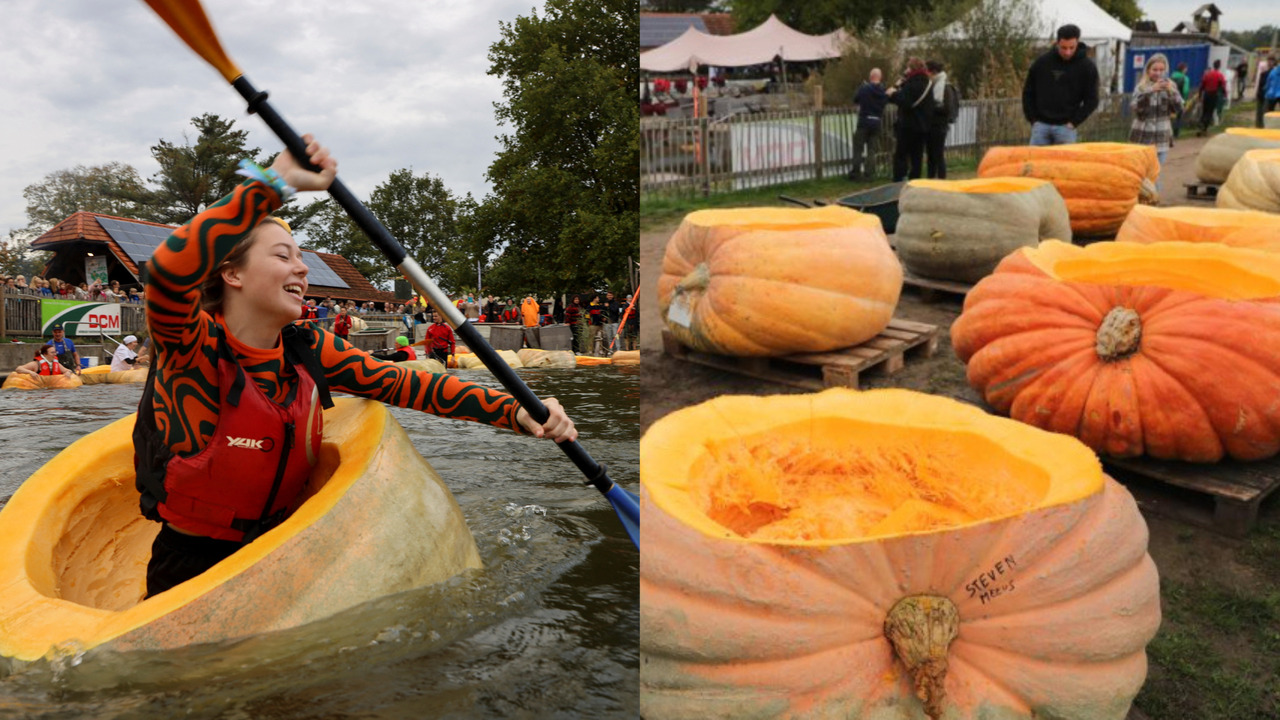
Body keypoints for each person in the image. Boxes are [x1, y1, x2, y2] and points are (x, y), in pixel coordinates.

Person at [132, 134, 576, 599]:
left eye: (302, 258)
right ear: (232, 273)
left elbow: (410, 387)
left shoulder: (309, 348)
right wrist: (271, 184)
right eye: (283, 256)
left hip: (283, 546)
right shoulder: (190, 346)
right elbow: (167, 273)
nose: (302, 270)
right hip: (192, 561)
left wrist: (516, 411)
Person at [1022, 24, 1099, 146]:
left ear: (1077, 43)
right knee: (1036, 164)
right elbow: (1028, 92)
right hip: (1040, 126)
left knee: (1065, 165)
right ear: (1057, 43)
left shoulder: (1087, 67)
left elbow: (1092, 100)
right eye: (1063, 48)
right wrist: (1033, 119)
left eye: (1071, 48)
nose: (1067, 52)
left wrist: (1074, 122)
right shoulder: (1042, 63)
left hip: (1066, 128)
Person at [1129, 54, 1182, 185]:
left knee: (1155, 174)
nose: (1158, 73)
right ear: (1148, 70)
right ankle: (1139, 202)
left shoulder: (1171, 86)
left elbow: (1179, 108)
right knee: (1141, 173)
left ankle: (1153, 203)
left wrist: (1172, 92)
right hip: (1142, 137)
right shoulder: (1141, 87)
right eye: (1155, 69)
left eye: (1161, 70)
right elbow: (1135, 108)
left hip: (1161, 137)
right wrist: (1150, 91)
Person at [887, 57, 934, 182]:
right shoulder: (928, 83)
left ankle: (899, 179)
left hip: (908, 125)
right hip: (922, 126)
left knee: (901, 154)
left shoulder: (912, 83)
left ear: (912, 68)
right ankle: (915, 180)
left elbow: (905, 101)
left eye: (908, 67)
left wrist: (893, 93)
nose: (906, 70)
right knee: (916, 156)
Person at [849, 68, 888, 180]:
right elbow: (885, 102)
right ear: (880, 78)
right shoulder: (883, 91)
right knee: (872, 150)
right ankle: (869, 174)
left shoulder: (864, 88)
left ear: (870, 77)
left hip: (864, 121)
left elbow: (855, 99)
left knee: (858, 148)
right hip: (876, 122)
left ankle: (856, 173)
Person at [925, 60, 955, 179]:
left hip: (939, 125)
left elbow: (946, 108)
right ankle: (930, 178)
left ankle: (942, 178)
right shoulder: (932, 85)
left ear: (933, 72)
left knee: (938, 154)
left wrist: (930, 108)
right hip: (930, 125)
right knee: (930, 155)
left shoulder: (944, 87)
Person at [1197, 60, 1227, 136]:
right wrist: (1225, 95)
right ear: (1219, 66)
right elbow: (1223, 86)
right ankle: (1205, 128)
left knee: (1205, 111)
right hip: (1213, 94)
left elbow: (1202, 85)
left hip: (1206, 94)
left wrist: (1200, 95)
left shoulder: (1207, 74)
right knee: (1210, 112)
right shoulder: (1219, 75)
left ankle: (1201, 125)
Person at [1170, 61, 1191, 139]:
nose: (1186, 70)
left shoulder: (1172, 77)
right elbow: (1185, 91)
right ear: (1183, 69)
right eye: (1186, 69)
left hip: (1171, 99)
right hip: (1180, 100)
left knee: (1170, 116)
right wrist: (1185, 101)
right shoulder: (1185, 78)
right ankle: (1176, 134)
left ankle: (1168, 132)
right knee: (1178, 117)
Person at [1257, 56, 1277, 128]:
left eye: (1271, 61)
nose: (1270, 62)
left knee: (1266, 112)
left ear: (1274, 62)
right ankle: (1259, 127)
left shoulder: (1275, 73)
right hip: (1262, 94)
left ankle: (1266, 127)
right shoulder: (1263, 73)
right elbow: (1260, 84)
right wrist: (1258, 93)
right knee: (1260, 112)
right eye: (1268, 61)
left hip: (1269, 95)